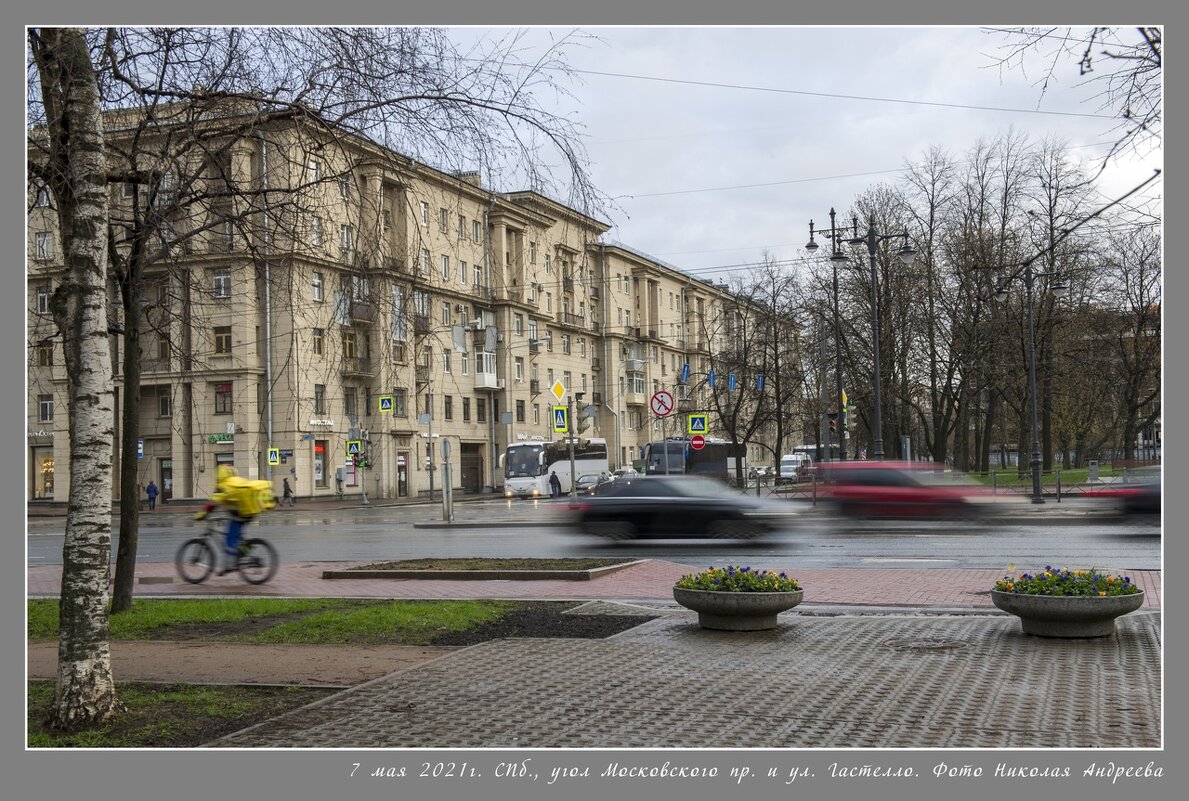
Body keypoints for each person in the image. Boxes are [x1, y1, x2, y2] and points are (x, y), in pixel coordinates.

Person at [195, 466, 276, 574]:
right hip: (250, 512)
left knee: (230, 538)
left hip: (241, 514)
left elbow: (213, 503)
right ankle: (244, 551)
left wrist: (202, 515)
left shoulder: (224, 485)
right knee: (237, 536)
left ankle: (230, 564)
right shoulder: (237, 480)